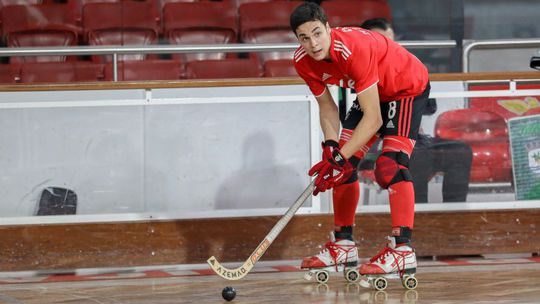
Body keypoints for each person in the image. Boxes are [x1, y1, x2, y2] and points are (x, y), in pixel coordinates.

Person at [290, 3, 430, 278]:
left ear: (328, 28)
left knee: (390, 166)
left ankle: (402, 251)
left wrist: (340, 157)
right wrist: (331, 150)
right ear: (297, 39)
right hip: (374, 93)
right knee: (339, 170)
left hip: (406, 88)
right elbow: (328, 108)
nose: (313, 43)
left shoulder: (352, 49)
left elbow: (374, 120)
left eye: (317, 33)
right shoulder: (302, 61)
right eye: (304, 38)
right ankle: (344, 245)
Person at [360, 18, 473, 203]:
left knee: (460, 151)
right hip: (374, 145)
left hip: (415, 140)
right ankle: (415, 219)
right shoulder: (357, 71)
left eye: (391, 41)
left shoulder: (406, 66)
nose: (388, 47)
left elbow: (429, 105)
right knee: (415, 156)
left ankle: (453, 216)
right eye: (382, 41)